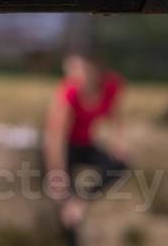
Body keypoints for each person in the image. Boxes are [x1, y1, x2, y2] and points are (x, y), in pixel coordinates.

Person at [43, 52, 130, 244]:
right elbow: (55, 138)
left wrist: (118, 143)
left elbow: (115, 115)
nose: (72, 77)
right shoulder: (69, 93)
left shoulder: (111, 85)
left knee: (120, 163)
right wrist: (56, 173)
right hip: (64, 147)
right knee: (66, 204)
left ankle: (82, 200)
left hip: (85, 144)